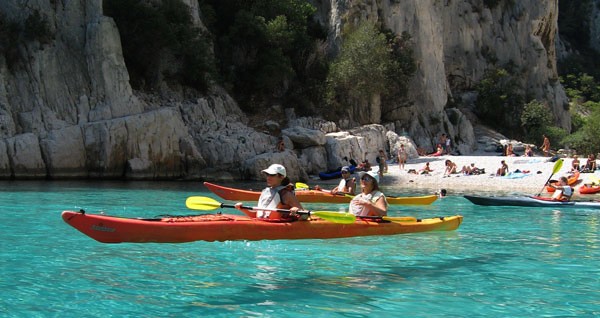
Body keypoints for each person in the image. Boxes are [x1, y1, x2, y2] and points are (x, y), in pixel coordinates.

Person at [234, 164, 303, 220]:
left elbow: (304, 215)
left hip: (278, 228)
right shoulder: (265, 192)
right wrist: (242, 208)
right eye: (267, 174)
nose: (268, 177)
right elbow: (257, 215)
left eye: (272, 175)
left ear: (281, 177)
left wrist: (296, 210)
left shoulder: (286, 194)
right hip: (263, 223)